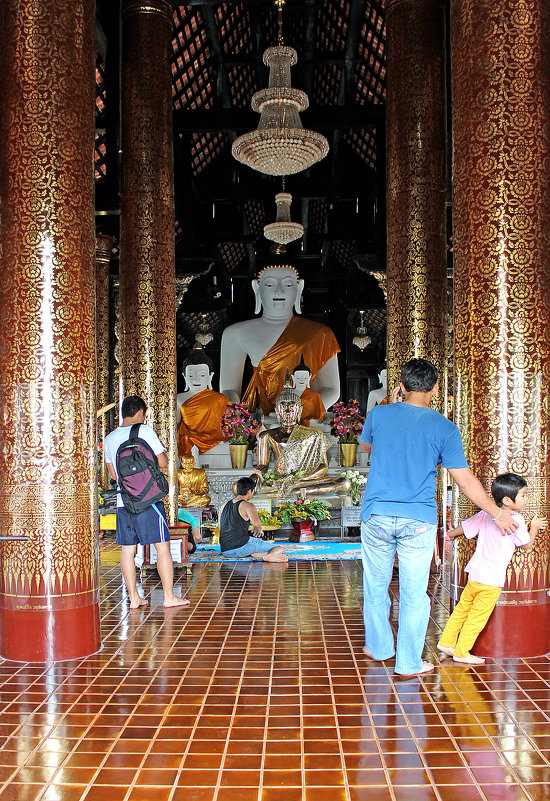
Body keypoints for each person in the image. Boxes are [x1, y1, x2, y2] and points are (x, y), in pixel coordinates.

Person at [359, 358, 517, 677]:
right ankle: (408, 662)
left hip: (376, 514)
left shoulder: (379, 414)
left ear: (400, 386)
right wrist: (497, 512)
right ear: (434, 388)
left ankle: (379, 647)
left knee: (375, 585)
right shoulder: (444, 427)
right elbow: (465, 480)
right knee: (414, 593)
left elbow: (366, 448)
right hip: (418, 519)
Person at [438, 473, 547, 665]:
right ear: (508, 500)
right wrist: (535, 526)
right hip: (491, 581)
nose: (526, 499)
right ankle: (462, 652)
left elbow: (465, 528)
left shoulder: (487, 514)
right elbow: (527, 544)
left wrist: (451, 535)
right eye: (523, 495)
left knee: (462, 610)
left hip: (475, 574)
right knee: (477, 618)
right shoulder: (517, 520)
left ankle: (446, 642)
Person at [104, 395, 190, 610]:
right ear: (140, 413)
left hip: (124, 500)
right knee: (162, 546)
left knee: (127, 550)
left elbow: (114, 475)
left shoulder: (109, 438)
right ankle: (169, 596)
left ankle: (134, 598)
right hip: (148, 499)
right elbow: (162, 461)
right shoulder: (145, 431)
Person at [219, 265, 340, 414]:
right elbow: (229, 389)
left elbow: (331, 390)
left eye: (288, 285)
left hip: (305, 417)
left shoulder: (320, 334)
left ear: (299, 288)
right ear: (257, 288)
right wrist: (235, 412)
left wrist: (299, 412)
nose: (279, 291)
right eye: (269, 284)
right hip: (260, 415)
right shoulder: (235, 333)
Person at [252, 373, 350, 497]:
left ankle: (289, 493)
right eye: (283, 407)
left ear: (299, 411)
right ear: (277, 411)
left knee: (344, 483)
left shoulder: (315, 435)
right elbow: (262, 465)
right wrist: (255, 476)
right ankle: (295, 493)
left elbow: (323, 466)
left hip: (305, 480)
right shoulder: (266, 436)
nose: (287, 411)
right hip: (280, 480)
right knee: (241, 487)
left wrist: (299, 479)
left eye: (292, 407)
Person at [219, 477, 289, 562]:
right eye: (253, 491)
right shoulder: (248, 505)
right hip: (241, 547)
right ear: (249, 491)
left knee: (254, 543)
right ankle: (267, 557)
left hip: (225, 550)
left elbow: (220, 528)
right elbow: (257, 525)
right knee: (279, 549)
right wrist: (258, 530)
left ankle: (258, 554)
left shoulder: (223, 505)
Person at [176, 350, 229, 456]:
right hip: (189, 443)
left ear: (211, 376)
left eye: (202, 375)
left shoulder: (220, 399)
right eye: (191, 376)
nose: (196, 379)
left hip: (218, 444)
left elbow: (228, 427)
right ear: (184, 376)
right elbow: (175, 426)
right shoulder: (178, 398)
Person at [291, 355, 325, 426]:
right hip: (289, 424)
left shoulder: (314, 396)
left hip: (308, 425)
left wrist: (306, 421)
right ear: (293, 378)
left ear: (309, 378)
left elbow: (319, 416)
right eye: (298, 378)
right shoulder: (288, 395)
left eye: (305, 378)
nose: (301, 380)